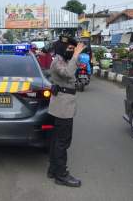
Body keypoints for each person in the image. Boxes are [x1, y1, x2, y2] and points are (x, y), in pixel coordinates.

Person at [47, 35, 85, 187]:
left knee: (57, 140)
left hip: (63, 104)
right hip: (62, 107)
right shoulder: (57, 61)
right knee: (62, 141)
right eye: (69, 48)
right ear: (62, 48)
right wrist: (75, 55)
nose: (72, 51)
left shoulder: (65, 60)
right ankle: (61, 175)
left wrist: (75, 56)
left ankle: (53, 169)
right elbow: (68, 74)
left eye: (73, 48)